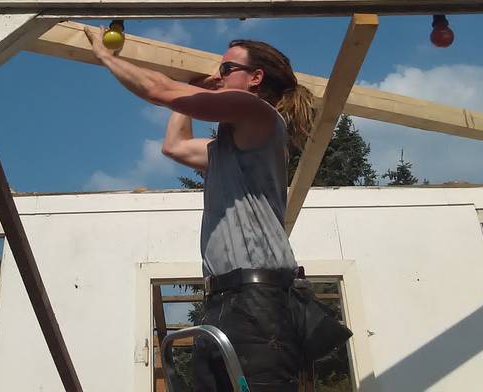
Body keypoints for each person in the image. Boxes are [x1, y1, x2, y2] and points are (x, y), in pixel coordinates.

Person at [84, 27, 351, 391]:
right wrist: (203, 89)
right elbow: (174, 146)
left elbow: (161, 92)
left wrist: (106, 56)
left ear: (256, 78)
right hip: (226, 302)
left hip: (259, 303)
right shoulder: (226, 148)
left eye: (227, 69)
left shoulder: (259, 114)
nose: (218, 76)